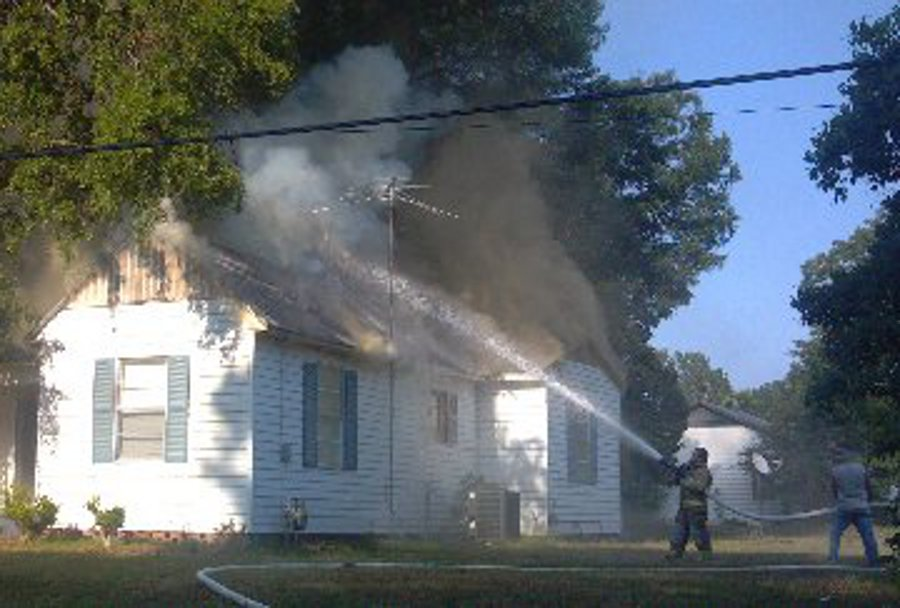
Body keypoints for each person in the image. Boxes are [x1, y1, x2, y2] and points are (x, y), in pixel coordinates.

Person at [829, 446, 879, 567]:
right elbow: (869, 487)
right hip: (862, 506)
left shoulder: (835, 471)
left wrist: (840, 500)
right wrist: (868, 500)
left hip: (844, 507)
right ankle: (873, 561)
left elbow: (834, 490)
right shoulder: (861, 468)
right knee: (868, 536)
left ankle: (833, 559)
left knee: (834, 533)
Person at [663, 447, 713, 559]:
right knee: (678, 532)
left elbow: (700, 486)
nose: (692, 458)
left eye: (695, 455)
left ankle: (706, 555)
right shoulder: (687, 469)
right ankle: (675, 552)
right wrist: (671, 470)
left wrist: (683, 479)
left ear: (701, 458)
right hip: (684, 508)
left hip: (697, 509)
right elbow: (672, 482)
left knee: (699, 534)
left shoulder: (703, 471)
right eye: (692, 455)